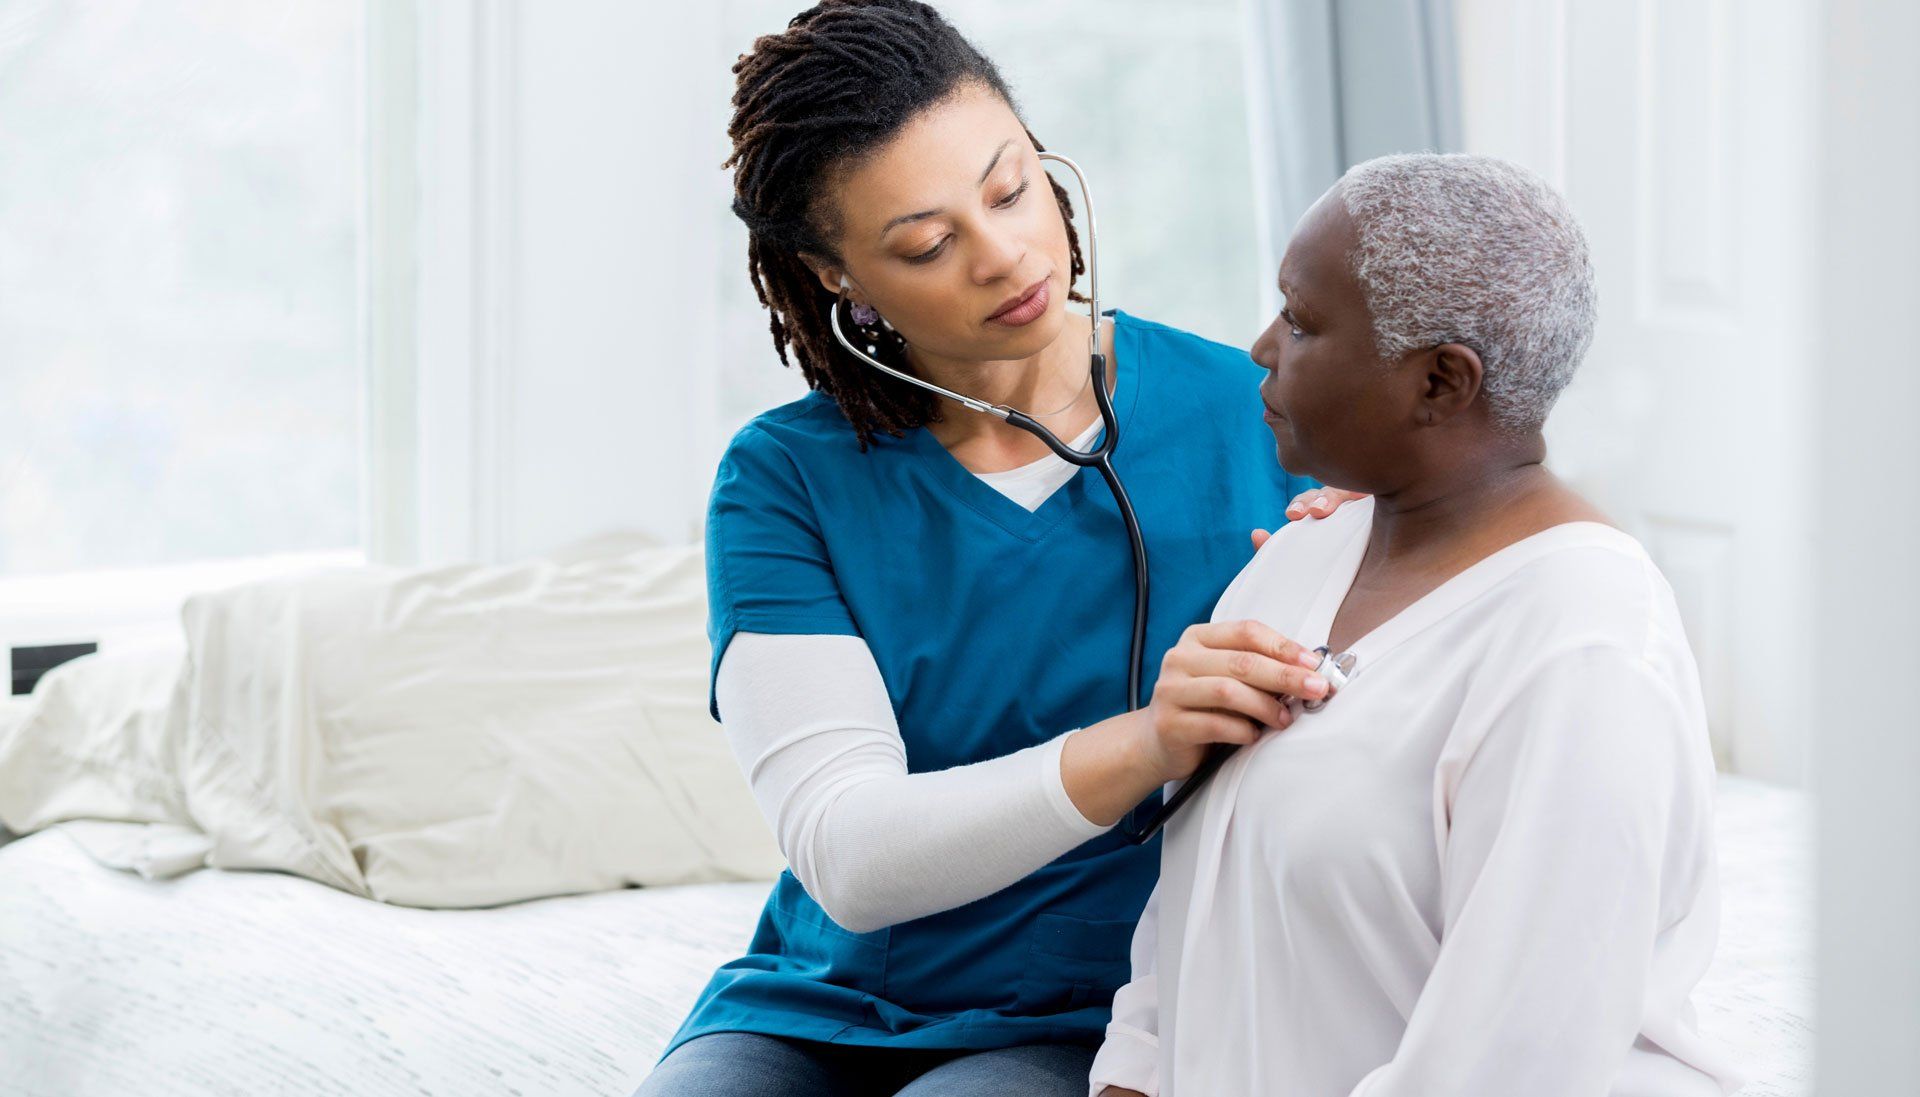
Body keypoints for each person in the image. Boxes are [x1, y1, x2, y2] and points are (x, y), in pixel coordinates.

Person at [636, 3, 1340, 1094]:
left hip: (1104, 1010)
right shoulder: (785, 479)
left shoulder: (1267, 418)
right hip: (819, 1004)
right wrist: (1153, 736)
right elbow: (852, 855)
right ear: (838, 279)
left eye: (1011, 188)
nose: (1005, 253)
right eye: (926, 242)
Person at [1089, 153, 1743, 1097]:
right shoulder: (1293, 562)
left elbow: (1507, 1066)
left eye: (1303, 321)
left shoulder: (1584, 650)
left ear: (1441, 382)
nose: (1262, 348)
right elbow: (1194, 916)